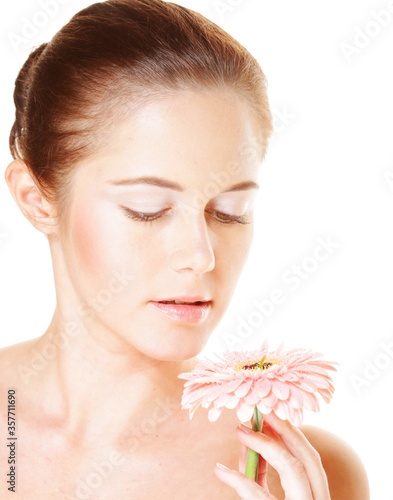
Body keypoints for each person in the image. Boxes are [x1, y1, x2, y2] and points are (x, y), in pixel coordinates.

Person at [1, 0, 369, 498]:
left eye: (231, 211)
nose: (201, 256)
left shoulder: (288, 471)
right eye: (147, 208)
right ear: (37, 200)